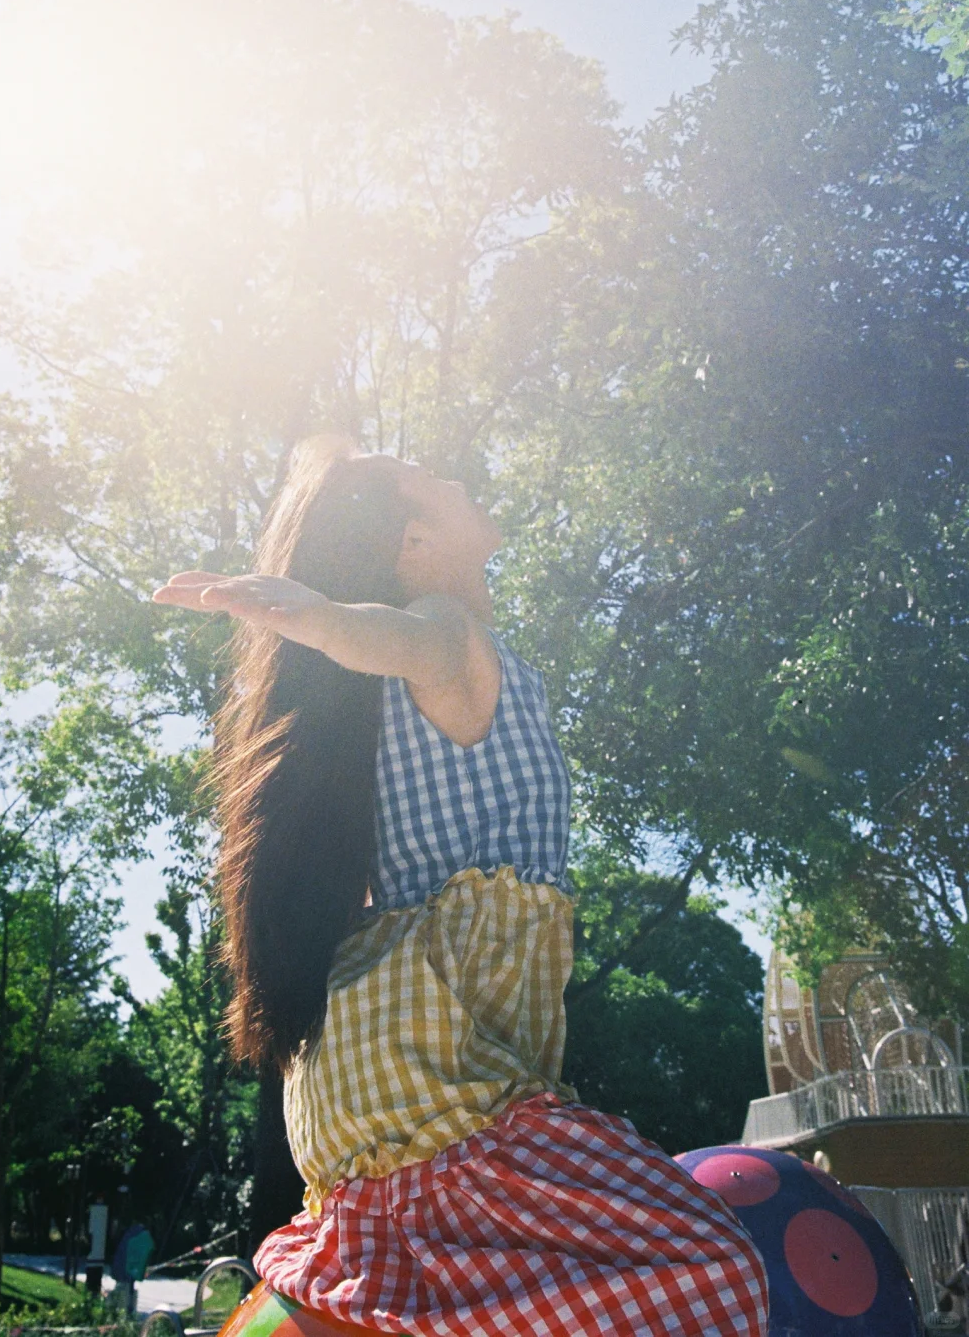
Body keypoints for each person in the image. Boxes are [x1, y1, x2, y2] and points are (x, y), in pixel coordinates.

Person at [153, 436, 768, 1337]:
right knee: (716, 1268)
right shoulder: (453, 633)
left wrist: (318, 621)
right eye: (428, 481)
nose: (452, 477)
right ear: (415, 544)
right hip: (436, 1072)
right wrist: (320, 618)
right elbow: (407, 640)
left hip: (368, 1077)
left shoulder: (382, 709)